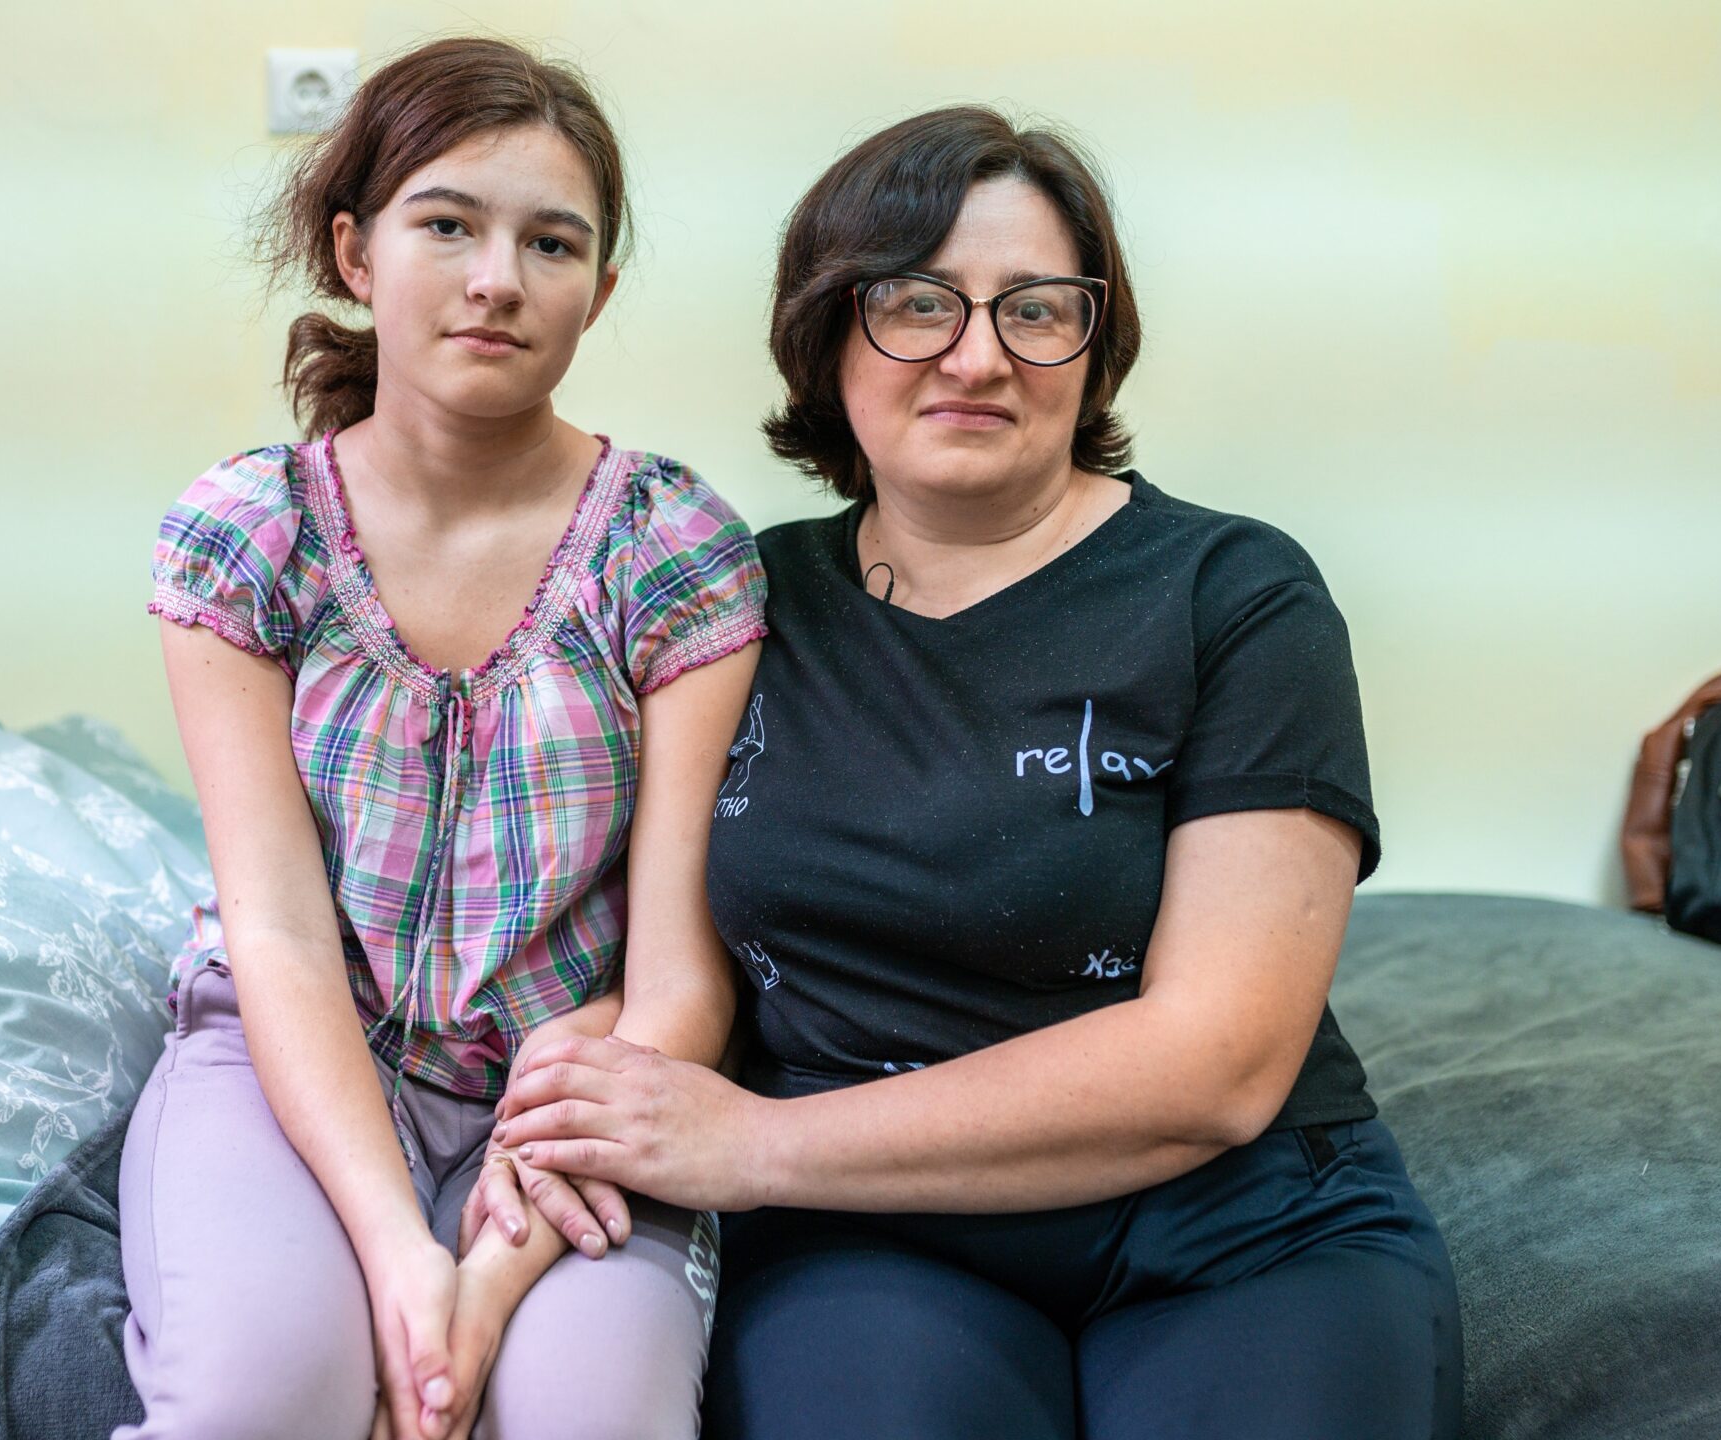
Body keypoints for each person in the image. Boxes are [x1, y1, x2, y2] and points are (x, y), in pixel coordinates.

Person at [495, 105, 1465, 1439]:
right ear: (829, 335)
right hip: (875, 1239)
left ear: (1094, 341)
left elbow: (1222, 1063)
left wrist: (753, 1144)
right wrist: (577, 1047)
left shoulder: (1236, 592)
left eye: (1037, 309)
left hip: (1237, 1222)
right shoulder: (731, 599)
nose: (977, 355)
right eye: (916, 302)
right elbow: (650, 932)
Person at [122, 36, 760, 1440]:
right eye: (447, 224)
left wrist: (491, 1271)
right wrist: (400, 1251)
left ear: (597, 289)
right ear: (355, 253)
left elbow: (681, 980)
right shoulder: (246, 536)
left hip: (576, 1081)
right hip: (290, 1055)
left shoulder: (676, 547)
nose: (495, 279)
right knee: (255, 1402)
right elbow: (278, 933)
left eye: (552, 243)